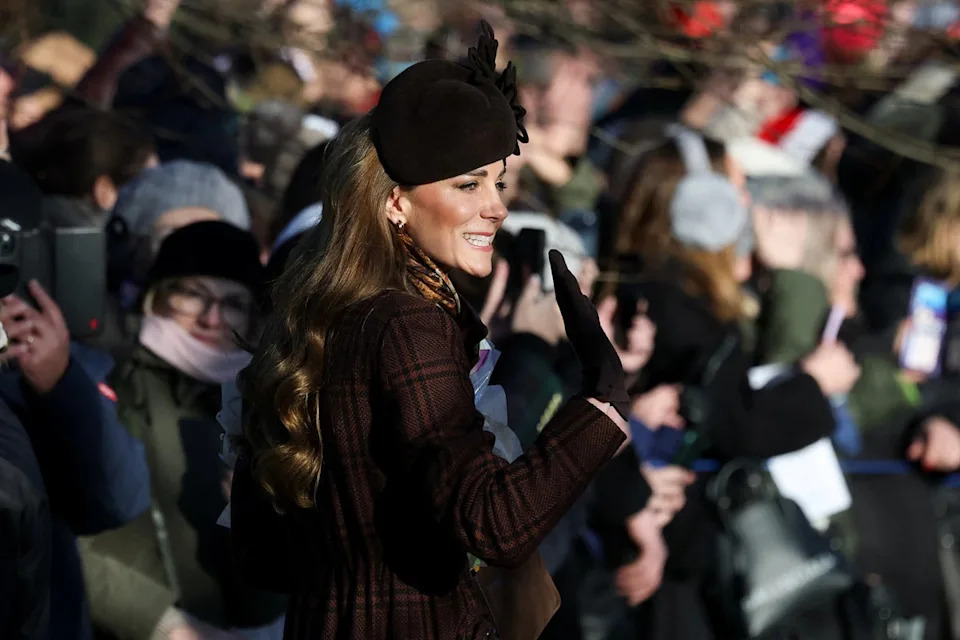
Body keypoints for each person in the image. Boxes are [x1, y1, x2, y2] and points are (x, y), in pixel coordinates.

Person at [234, 22, 637, 640]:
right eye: (467, 184)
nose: (496, 205)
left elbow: (264, 550)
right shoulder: (405, 324)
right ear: (396, 201)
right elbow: (494, 523)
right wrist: (604, 400)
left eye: (498, 182)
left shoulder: (331, 315)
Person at [80, 220, 285, 639]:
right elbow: (65, 535)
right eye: (193, 295)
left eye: (232, 303)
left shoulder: (267, 402)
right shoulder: (107, 382)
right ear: (158, 297)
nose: (211, 319)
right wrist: (162, 624)